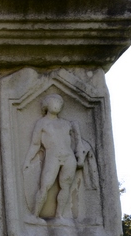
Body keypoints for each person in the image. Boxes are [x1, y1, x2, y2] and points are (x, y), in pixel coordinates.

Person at [23, 94, 85, 222]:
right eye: (53, 102)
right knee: (45, 185)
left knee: (65, 186)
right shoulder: (42, 123)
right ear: (47, 105)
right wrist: (28, 160)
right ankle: (35, 215)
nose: (57, 105)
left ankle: (59, 215)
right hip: (53, 157)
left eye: (59, 102)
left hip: (69, 157)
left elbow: (78, 142)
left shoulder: (67, 123)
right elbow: (35, 144)